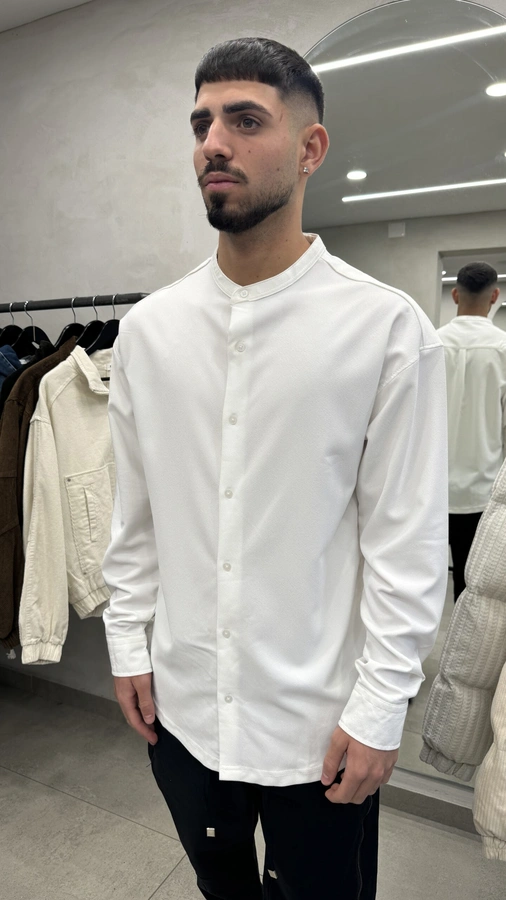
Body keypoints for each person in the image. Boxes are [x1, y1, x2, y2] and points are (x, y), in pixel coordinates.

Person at [102, 37, 448, 900]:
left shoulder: (385, 330)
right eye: (201, 124)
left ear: (309, 148)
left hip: (319, 730)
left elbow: (405, 548)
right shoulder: (149, 331)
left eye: (245, 120)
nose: (212, 143)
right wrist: (126, 643)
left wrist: (381, 708)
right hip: (183, 712)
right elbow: (135, 517)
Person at [437, 262, 506, 602]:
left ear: (454, 294)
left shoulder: (430, 343)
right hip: (482, 491)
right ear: (494, 296)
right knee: (470, 589)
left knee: (420, 582)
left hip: (430, 489)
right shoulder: (503, 348)